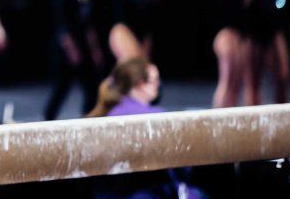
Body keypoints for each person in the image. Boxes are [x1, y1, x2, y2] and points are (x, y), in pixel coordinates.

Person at [88, 58, 207, 199]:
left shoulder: (106, 113)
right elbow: (182, 165)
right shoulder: (157, 117)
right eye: (155, 81)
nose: (159, 85)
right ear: (140, 84)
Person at [43, 0, 104, 120]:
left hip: (82, 43)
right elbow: (62, 25)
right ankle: (48, 121)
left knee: (92, 87)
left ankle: (88, 119)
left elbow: (87, 23)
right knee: (61, 87)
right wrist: (72, 51)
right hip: (68, 47)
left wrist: (94, 49)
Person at [212, 0, 251, 108]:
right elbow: (220, 2)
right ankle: (217, 121)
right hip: (226, 33)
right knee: (226, 81)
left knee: (237, 83)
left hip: (240, 34)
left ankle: (231, 121)